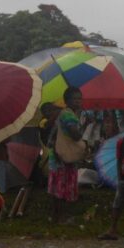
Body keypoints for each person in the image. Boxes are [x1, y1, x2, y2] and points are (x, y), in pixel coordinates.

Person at [47, 87, 85, 223]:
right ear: (67, 101)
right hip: (62, 157)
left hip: (57, 155)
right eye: (74, 99)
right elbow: (75, 135)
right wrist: (84, 126)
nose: (78, 101)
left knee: (57, 188)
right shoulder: (69, 115)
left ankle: (55, 216)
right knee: (63, 188)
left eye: (79, 98)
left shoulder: (64, 113)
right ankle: (62, 217)